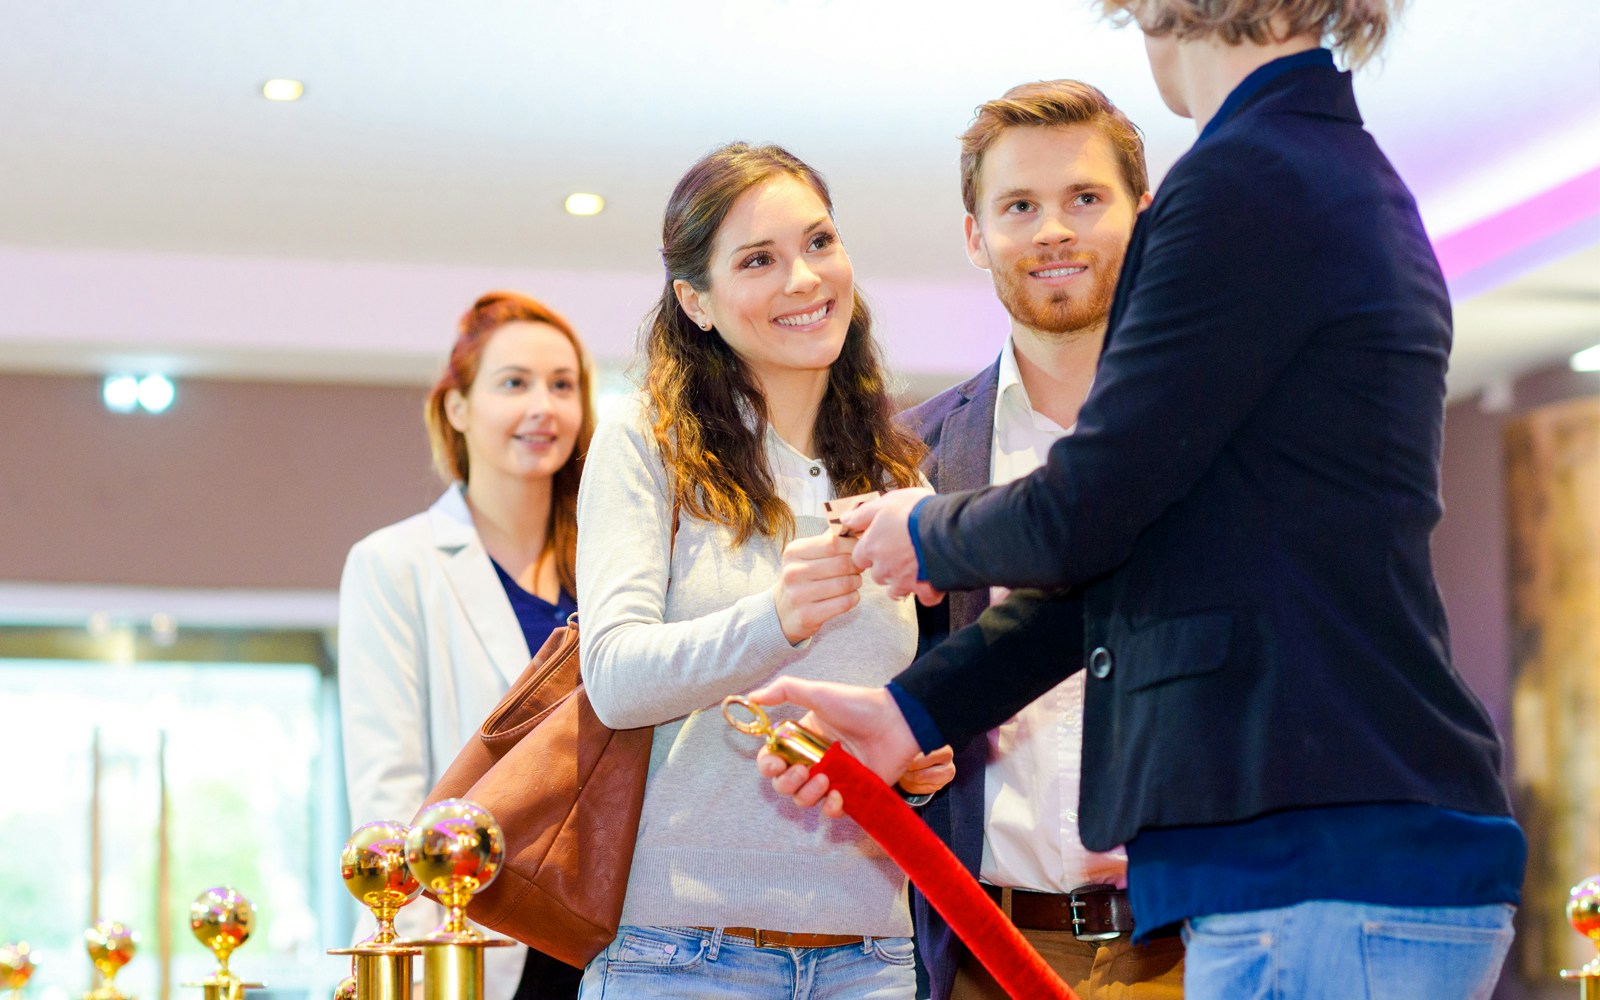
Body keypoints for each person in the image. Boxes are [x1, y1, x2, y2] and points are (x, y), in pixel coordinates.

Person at [754, 3, 1527, 998]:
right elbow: (1135, 553)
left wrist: (924, 530)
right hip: (1320, 856)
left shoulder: (1247, 180)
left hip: (1320, 860)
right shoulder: (1311, 170)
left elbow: (1092, 507)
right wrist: (911, 713)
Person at [574, 142, 952, 999]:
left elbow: (901, 713)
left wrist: (920, 758)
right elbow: (614, 680)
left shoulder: (902, 482)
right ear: (695, 302)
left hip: (874, 951)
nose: (803, 279)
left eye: (820, 243)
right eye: (758, 260)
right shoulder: (645, 441)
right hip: (679, 956)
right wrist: (774, 618)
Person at [901, 80, 1181, 1000]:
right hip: (985, 953)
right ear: (978, 235)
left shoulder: (1219, 443)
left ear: (1142, 216)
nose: (1052, 229)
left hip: (1194, 948)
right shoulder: (911, 463)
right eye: (1019, 206)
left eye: (1085, 200)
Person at [339, 290, 593, 1000]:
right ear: (458, 409)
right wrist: (411, 951)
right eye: (515, 383)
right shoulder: (396, 564)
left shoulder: (610, 568)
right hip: (466, 933)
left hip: (610, 934)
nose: (544, 406)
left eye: (562, 385)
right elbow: (387, 785)